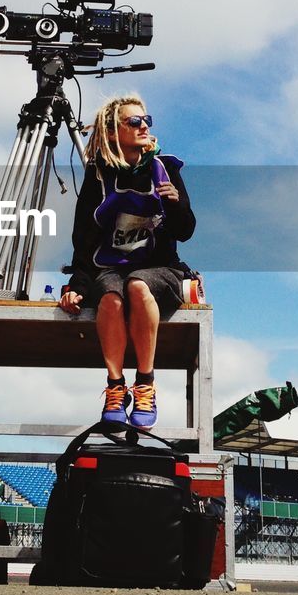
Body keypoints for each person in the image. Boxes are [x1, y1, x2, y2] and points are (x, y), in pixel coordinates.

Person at [58, 95, 196, 428]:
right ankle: (115, 386)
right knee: (109, 297)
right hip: (112, 267)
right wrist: (77, 284)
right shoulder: (98, 176)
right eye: (134, 121)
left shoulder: (165, 169)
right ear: (111, 131)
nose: (143, 126)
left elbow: (186, 230)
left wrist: (176, 204)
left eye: (146, 119)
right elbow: (84, 238)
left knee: (138, 286)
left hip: (160, 268)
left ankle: (145, 382)